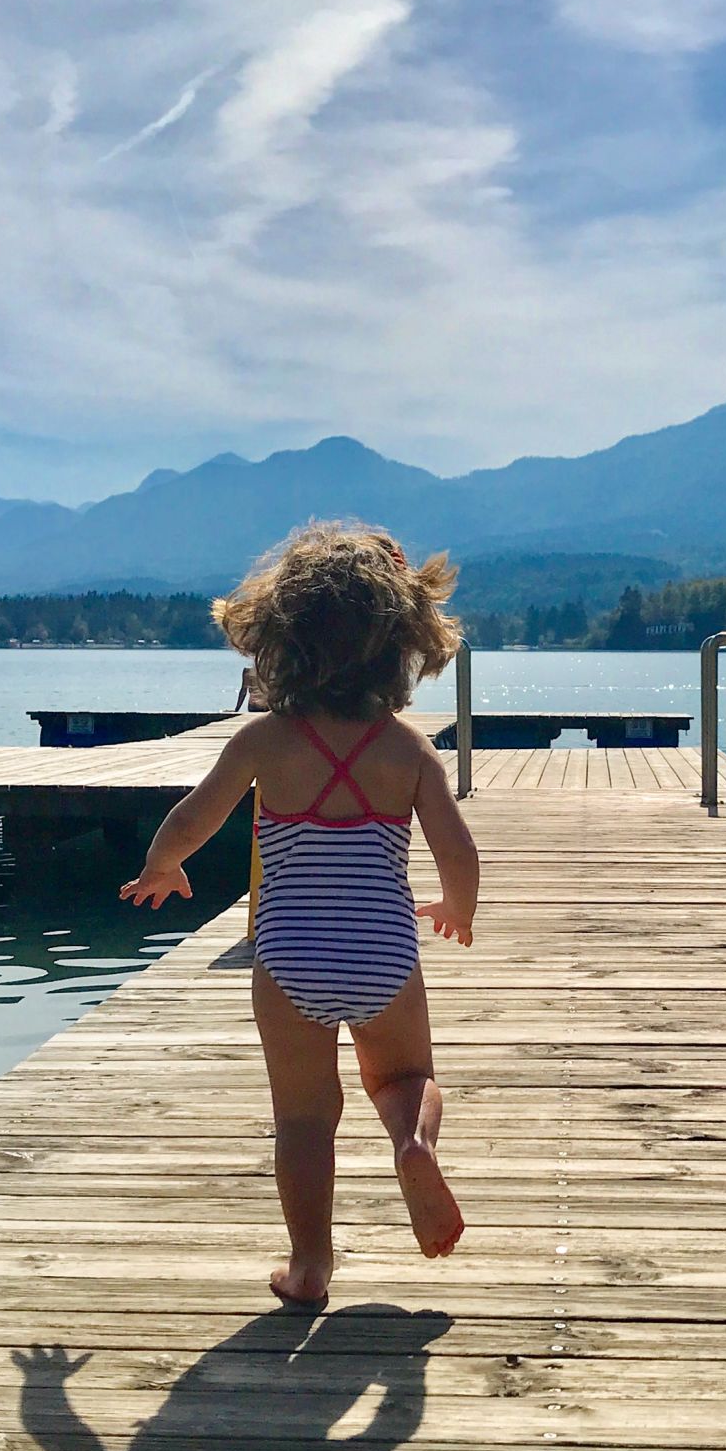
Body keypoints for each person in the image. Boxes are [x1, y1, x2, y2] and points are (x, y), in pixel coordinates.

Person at [120, 523, 480, 1303]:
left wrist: (162, 866)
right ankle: (413, 1145)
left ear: (278, 641)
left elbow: (191, 819)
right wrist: (457, 908)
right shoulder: (408, 752)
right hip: (384, 954)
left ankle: (311, 1265)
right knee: (405, 1075)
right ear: (401, 646)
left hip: (288, 961)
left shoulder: (263, 743)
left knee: (305, 1118)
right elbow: (459, 850)